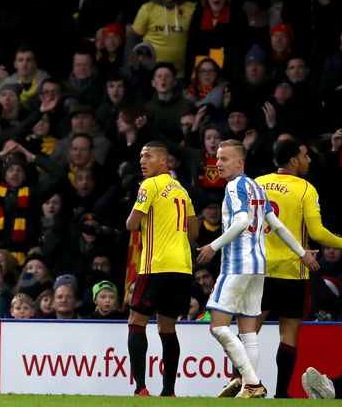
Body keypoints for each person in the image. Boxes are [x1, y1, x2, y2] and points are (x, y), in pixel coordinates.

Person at [196, 140, 318, 398]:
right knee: (248, 332)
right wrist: (302, 253)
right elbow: (279, 226)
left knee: (217, 326)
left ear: (240, 162)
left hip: (237, 265)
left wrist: (213, 246)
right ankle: (246, 386)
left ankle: (252, 383)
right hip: (258, 267)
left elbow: (241, 222)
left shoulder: (234, 187)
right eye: (217, 159)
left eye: (224, 159)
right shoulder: (255, 186)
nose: (218, 164)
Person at [250, 138, 342, 399]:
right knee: (288, 334)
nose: (309, 159)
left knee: (249, 331)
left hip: (259, 270)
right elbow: (317, 232)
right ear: (293, 161)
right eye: (305, 154)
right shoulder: (305, 189)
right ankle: (281, 393)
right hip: (292, 271)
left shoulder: (257, 184)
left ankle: (241, 385)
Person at [125, 140, 199, 397]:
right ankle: (169, 391)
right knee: (167, 328)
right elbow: (194, 232)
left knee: (137, 321)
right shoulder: (182, 190)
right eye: (141, 157)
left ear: (163, 161)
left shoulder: (149, 185)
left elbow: (131, 224)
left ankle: (140, 388)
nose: (142, 161)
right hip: (182, 267)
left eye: (147, 156)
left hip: (156, 264)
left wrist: (143, 215)